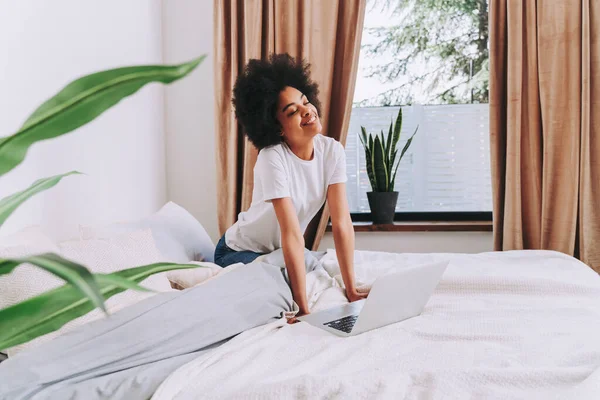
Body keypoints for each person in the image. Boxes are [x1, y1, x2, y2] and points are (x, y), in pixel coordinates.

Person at [214, 53, 368, 318]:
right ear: (278, 129)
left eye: (305, 102)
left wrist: (351, 289)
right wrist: (303, 309)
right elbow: (292, 234)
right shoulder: (272, 158)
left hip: (278, 251)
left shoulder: (331, 151)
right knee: (282, 273)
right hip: (238, 252)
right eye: (292, 111)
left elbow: (342, 223)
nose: (307, 111)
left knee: (303, 262)